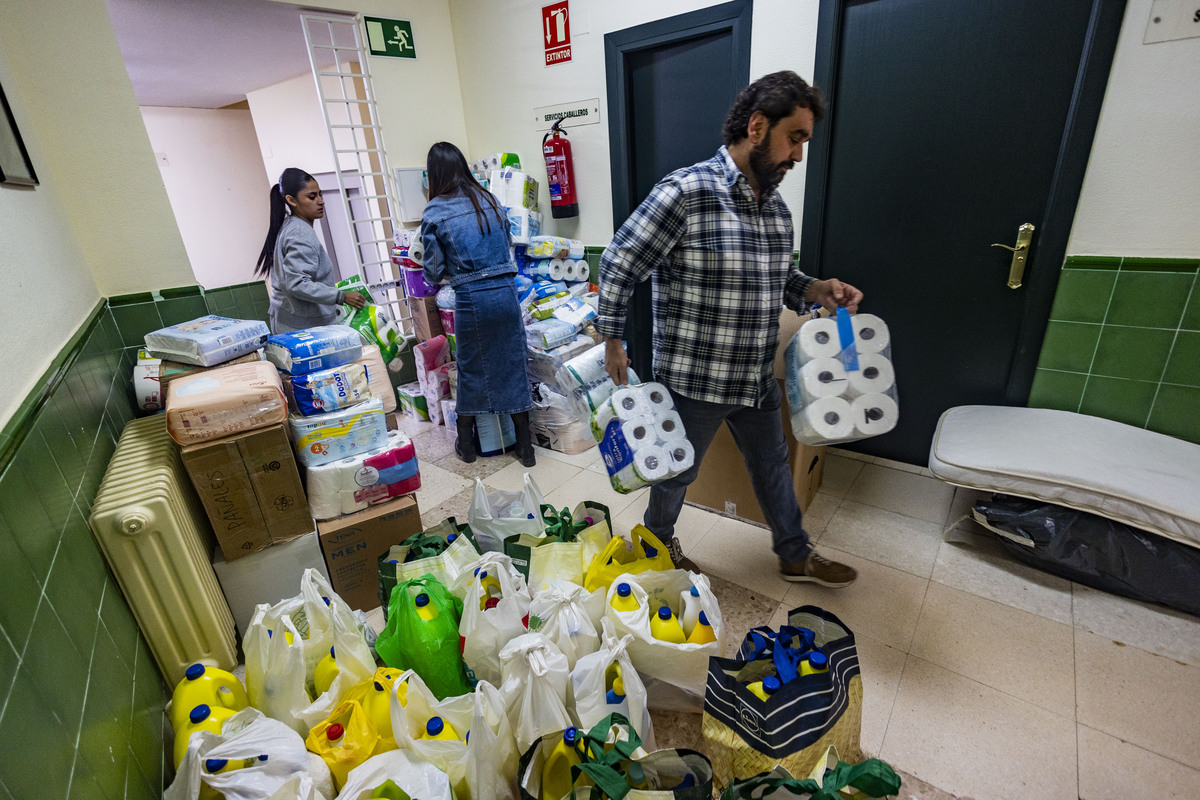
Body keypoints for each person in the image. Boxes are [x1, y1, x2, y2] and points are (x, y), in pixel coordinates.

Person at [596, 71, 863, 587]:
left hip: (754, 377)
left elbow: (782, 281)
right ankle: (657, 548)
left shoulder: (777, 214)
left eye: (805, 141)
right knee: (676, 474)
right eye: (795, 138)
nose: (798, 156)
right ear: (758, 126)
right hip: (696, 380)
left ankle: (793, 553)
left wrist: (819, 288)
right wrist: (612, 339)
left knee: (772, 463)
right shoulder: (686, 193)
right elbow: (619, 260)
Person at [420, 142, 535, 467]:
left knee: (472, 370)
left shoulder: (436, 211)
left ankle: (467, 446)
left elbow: (433, 271)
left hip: (473, 299)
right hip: (506, 294)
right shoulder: (489, 200)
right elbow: (508, 245)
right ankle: (526, 449)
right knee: (513, 364)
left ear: (436, 174)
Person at [256, 167, 366, 334]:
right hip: (300, 329)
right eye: (312, 197)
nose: (321, 201)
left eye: (320, 195)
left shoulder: (290, 225)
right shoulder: (299, 233)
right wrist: (341, 296)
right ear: (291, 200)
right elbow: (297, 283)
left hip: (290, 321)